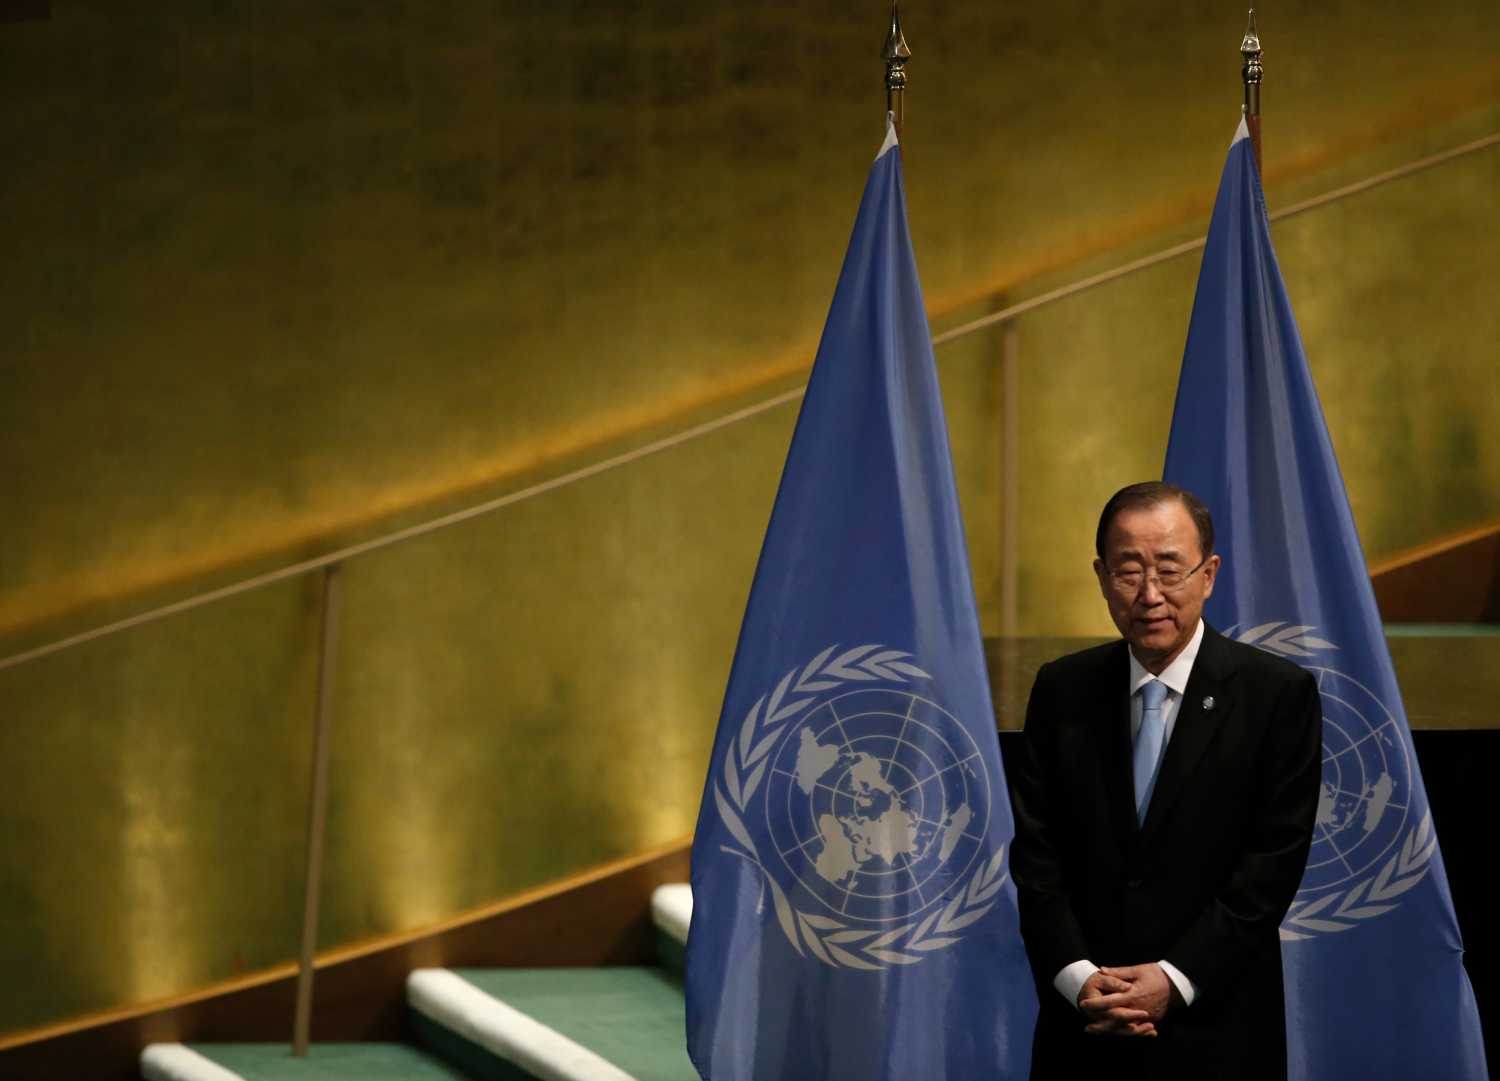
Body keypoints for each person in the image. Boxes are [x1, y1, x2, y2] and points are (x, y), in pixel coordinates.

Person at [1007, 481, 1322, 1081]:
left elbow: (1271, 866)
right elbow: (1037, 856)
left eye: (1170, 570)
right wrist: (1080, 979)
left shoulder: (1276, 695)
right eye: (1129, 571)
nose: (1150, 594)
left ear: (1208, 574)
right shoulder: (1062, 690)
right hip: (1085, 1027)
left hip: (1216, 1029)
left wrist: (1173, 979)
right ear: (1102, 577)